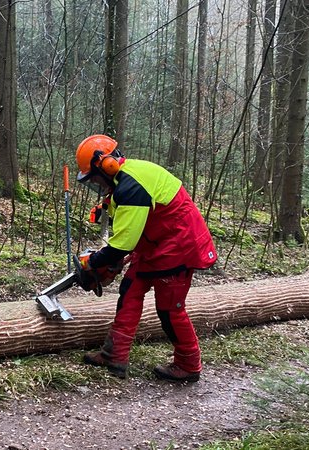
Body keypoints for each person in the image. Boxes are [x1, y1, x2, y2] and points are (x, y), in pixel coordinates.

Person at [74, 134, 217, 382]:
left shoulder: (131, 187)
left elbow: (121, 245)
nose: (97, 184)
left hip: (179, 247)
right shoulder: (122, 182)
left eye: (95, 178)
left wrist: (93, 262)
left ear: (106, 165)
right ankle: (114, 355)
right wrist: (112, 259)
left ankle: (189, 364)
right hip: (155, 245)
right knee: (129, 291)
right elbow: (127, 233)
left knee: (170, 310)